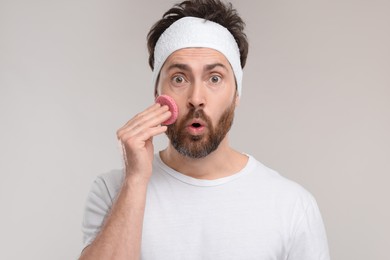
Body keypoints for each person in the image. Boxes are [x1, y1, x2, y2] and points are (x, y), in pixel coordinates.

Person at [79, 0, 330, 259]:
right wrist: (135, 181)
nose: (196, 97)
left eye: (214, 78)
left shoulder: (292, 205)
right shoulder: (113, 190)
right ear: (158, 93)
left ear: (236, 94)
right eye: (179, 78)